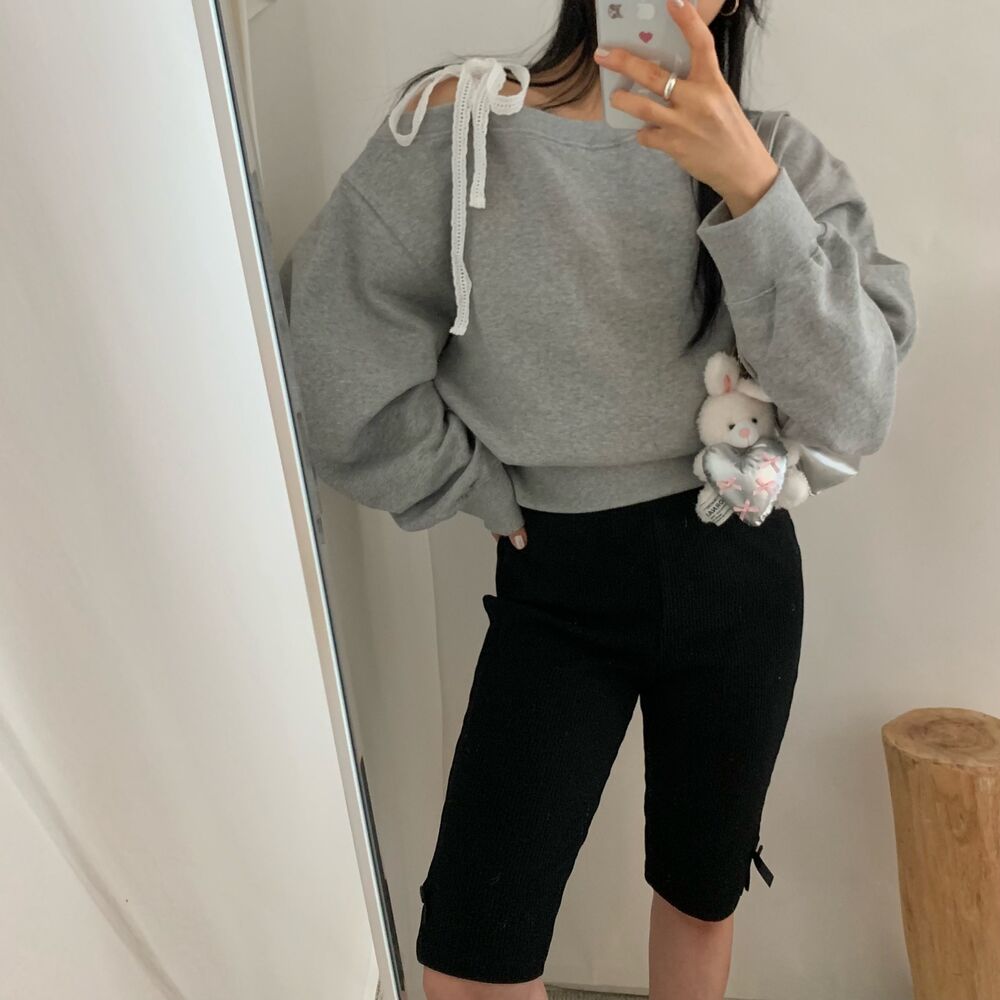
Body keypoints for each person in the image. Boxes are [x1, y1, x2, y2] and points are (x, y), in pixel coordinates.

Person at [279, 0, 917, 996]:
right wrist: (467, 483)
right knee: (471, 956)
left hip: (739, 573)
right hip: (558, 577)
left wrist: (751, 190)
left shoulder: (776, 157)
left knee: (700, 898)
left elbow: (854, 408)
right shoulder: (463, 129)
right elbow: (333, 346)